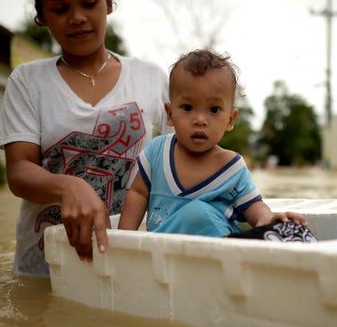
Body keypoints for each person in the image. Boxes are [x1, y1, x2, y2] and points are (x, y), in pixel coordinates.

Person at [0, 0, 171, 277]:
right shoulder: (28, 81)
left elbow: (177, 162)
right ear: (42, 17)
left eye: (89, 3)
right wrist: (68, 185)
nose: (77, 18)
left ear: (108, 2)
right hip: (45, 264)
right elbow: (18, 172)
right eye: (60, 9)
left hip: (128, 255)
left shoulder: (151, 77)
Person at [118, 49, 316, 242]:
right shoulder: (156, 152)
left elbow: (254, 205)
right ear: (170, 114)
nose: (200, 120)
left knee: (292, 230)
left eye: (214, 109)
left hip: (221, 256)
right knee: (196, 212)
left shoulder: (232, 166)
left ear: (230, 119)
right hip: (165, 255)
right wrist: (123, 241)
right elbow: (138, 193)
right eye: (187, 108)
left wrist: (267, 220)